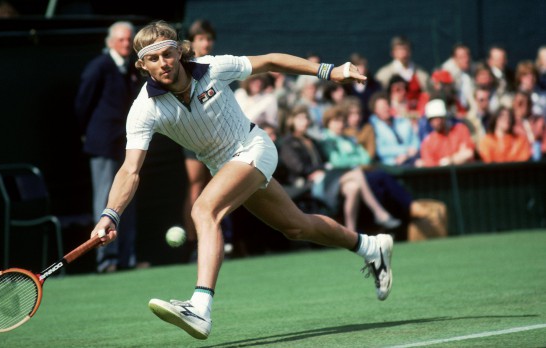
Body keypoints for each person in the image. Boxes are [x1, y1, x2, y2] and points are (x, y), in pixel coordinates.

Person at [90, 20, 394, 340]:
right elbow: (130, 170)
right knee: (296, 226)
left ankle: (200, 306)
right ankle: (370, 246)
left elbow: (271, 61)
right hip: (224, 167)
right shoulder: (144, 109)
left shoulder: (213, 68)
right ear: (142, 65)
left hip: (255, 147)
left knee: (204, 210)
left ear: (179, 52)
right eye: (154, 58)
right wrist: (111, 214)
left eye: (168, 54)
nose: (163, 63)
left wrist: (329, 71)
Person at [75, 21, 143, 273]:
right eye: (122, 40)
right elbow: (83, 103)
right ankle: (107, 261)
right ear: (111, 42)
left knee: (126, 197)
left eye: (129, 40)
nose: (126, 44)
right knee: (105, 201)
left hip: (126, 144)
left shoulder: (131, 69)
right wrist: (87, 133)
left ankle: (127, 259)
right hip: (102, 143)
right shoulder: (99, 67)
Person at [181, 19, 218, 258]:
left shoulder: (213, 66)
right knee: (196, 185)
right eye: (201, 38)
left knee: (212, 185)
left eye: (208, 38)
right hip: (192, 136)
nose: (206, 43)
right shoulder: (185, 66)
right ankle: (193, 242)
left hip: (214, 137)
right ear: (192, 41)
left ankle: (211, 238)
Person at [375, 35, 429, 114]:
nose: (403, 53)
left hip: (418, 116)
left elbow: (427, 95)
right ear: (393, 53)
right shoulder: (383, 75)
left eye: (406, 49)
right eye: (399, 49)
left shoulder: (421, 74)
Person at [417, 99, 475, 167]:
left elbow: (468, 153)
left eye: (440, 117)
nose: (437, 121)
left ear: (445, 117)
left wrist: (450, 161)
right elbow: (431, 167)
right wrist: (458, 157)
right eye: (434, 118)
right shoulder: (427, 143)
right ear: (429, 121)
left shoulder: (460, 129)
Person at [369, 91, 420, 166]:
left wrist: (409, 153)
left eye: (387, 105)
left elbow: (415, 140)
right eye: (382, 107)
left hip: (411, 157)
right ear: (376, 111)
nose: (386, 109)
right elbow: (381, 150)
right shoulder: (374, 127)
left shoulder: (401, 121)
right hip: (391, 163)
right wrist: (405, 150)